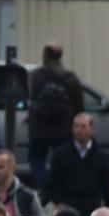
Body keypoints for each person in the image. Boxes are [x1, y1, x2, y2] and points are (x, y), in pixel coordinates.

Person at [42, 114, 109, 216]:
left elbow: (106, 186)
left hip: (91, 208)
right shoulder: (60, 155)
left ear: (91, 129)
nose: (79, 130)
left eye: (83, 126)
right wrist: (57, 201)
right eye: (76, 126)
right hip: (68, 206)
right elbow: (52, 182)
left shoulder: (101, 157)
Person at [27, 43, 82, 190]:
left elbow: (31, 99)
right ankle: (59, 189)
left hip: (39, 128)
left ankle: (46, 188)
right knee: (63, 161)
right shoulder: (70, 77)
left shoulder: (36, 76)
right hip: (63, 128)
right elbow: (79, 105)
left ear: (45, 55)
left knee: (36, 159)